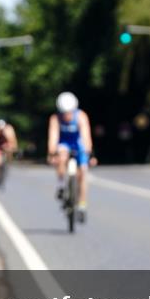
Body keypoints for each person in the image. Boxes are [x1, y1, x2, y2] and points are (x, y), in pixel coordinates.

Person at [47, 92, 95, 221]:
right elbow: (53, 137)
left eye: (69, 112)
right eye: (64, 112)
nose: (67, 115)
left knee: (83, 172)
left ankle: (82, 205)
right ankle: (61, 185)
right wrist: (52, 153)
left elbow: (86, 136)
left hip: (78, 144)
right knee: (61, 157)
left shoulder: (81, 116)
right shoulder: (55, 118)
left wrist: (89, 153)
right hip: (64, 143)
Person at [0, 119, 18, 188]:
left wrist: (13, 148)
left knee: (9, 153)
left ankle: (8, 163)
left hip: (6, 147)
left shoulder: (9, 130)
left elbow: (12, 140)